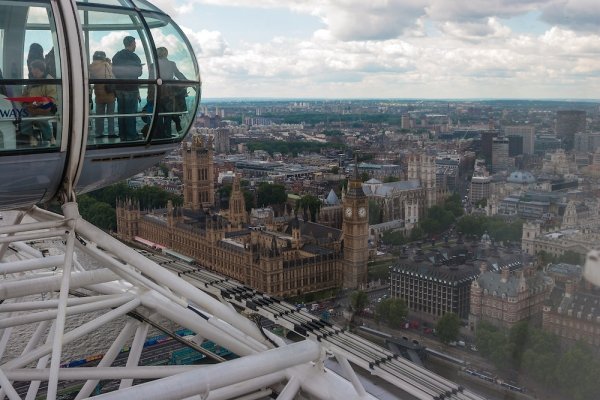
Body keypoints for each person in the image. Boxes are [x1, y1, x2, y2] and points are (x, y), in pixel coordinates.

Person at [19, 60, 57, 147]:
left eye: (32, 69)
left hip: (46, 109)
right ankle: (31, 137)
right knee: (25, 119)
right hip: (32, 108)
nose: (31, 71)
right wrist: (26, 103)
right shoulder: (31, 82)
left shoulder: (49, 80)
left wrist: (39, 104)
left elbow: (52, 98)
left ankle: (50, 137)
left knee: (39, 118)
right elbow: (23, 96)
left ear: (38, 69)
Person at [112, 36, 142, 141]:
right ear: (131, 43)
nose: (135, 45)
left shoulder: (116, 56)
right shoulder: (134, 57)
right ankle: (131, 135)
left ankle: (123, 136)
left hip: (119, 88)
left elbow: (114, 71)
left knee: (122, 113)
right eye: (135, 43)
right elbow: (139, 72)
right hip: (131, 87)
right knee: (130, 113)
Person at [152, 47, 187, 137]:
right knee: (168, 115)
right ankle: (167, 134)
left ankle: (160, 134)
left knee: (158, 115)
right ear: (166, 54)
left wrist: (150, 95)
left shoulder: (153, 65)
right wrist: (186, 81)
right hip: (168, 93)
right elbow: (178, 74)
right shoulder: (171, 64)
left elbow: (150, 80)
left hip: (157, 93)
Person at [89, 51, 116, 138]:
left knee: (99, 115)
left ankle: (98, 133)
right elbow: (112, 74)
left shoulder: (91, 66)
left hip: (98, 94)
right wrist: (109, 62)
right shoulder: (106, 64)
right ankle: (111, 133)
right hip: (109, 93)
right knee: (110, 115)